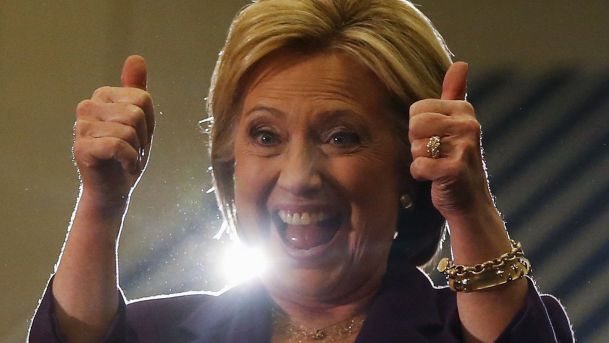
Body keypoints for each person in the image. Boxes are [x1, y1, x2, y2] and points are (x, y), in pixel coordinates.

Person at [29, 0, 574, 342]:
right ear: (229, 159)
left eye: (342, 136)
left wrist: (467, 203)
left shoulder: (461, 331)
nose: (298, 177)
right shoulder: (160, 335)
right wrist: (102, 201)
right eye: (265, 136)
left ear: (410, 167)